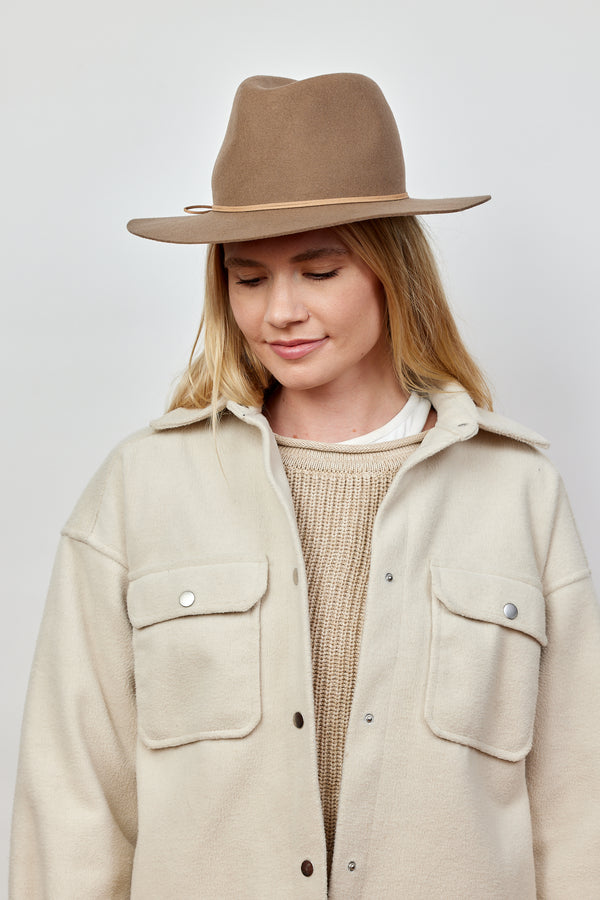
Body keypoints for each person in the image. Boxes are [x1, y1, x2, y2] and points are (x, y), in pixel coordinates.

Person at [10, 73, 599, 899]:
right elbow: (72, 808)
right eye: (249, 279)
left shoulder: (518, 495)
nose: (279, 311)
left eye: (319, 272)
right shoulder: (141, 491)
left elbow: (578, 817)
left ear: (392, 274)